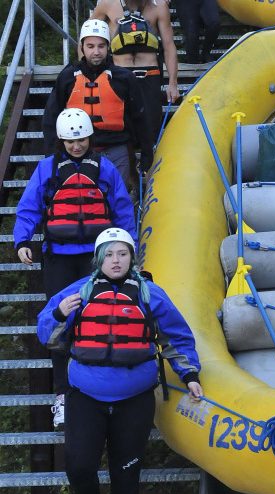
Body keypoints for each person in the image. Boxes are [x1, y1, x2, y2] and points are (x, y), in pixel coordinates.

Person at [36, 227, 204, 494]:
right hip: (86, 395)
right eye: (109, 254)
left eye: (122, 253)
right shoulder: (78, 292)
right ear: (99, 259)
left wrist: (190, 374)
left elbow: (177, 338)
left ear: (132, 258)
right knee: (79, 465)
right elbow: (49, 336)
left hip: (134, 400)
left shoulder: (150, 294)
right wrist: (59, 314)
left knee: (125, 473)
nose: (116, 260)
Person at [15, 108, 137, 429]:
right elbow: (29, 207)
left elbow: (123, 209)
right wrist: (22, 240)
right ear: (61, 141)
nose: (76, 146)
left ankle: (100, 390)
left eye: (81, 139)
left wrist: (129, 247)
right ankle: (62, 396)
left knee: (97, 319)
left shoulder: (105, 169)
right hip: (58, 257)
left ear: (90, 138)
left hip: (95, 260)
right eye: (70, 140)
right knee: (59, 323)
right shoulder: (48, 169)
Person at [43, 19, 153, 189]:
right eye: (91, 46)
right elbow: (51, 117)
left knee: (116, 201)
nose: (96, 52)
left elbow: (140, 117)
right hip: (77, 151)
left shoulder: (124, 78)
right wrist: (52, 154)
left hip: (117, 150)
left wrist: (146, 151)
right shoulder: (67, 77)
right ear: (82, 47)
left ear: (108, 47)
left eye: (101, 46)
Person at [90, 0, 180, 138]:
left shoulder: (159, 6)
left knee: (150, 129)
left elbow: (169, 46)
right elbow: (86, 37)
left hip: (149, 75)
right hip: (119, 74)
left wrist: (173, 83)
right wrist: (87, 72)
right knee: (121, 127)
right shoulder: (107, 4)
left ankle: (149, 157)